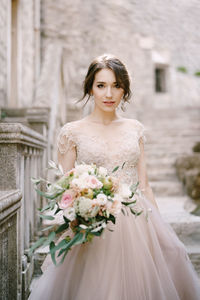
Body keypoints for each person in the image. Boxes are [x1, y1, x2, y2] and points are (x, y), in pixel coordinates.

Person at [29, 54, 200, 300]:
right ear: (90, 87)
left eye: (116, 86)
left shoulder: (135, 129)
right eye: (101, 85)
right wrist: (68, 228)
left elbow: (145, 185)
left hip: (137, 221)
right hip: (93, 224)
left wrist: (163, 232)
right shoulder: (72, 132)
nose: (109, 94)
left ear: (125, 90)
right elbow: (64, 190)